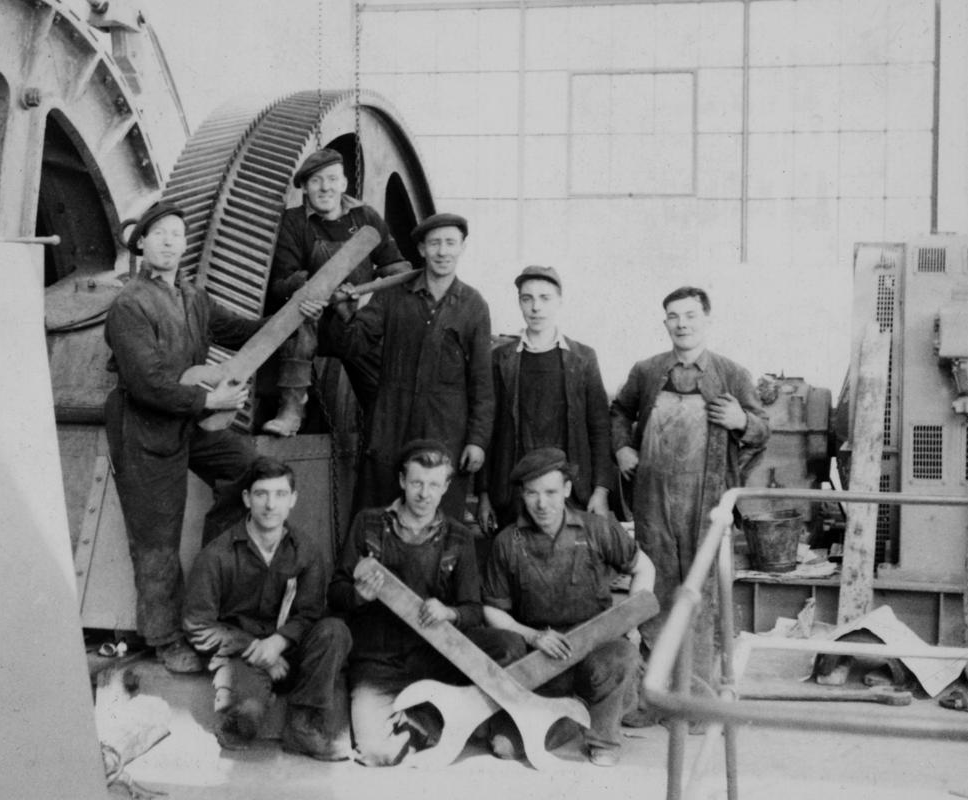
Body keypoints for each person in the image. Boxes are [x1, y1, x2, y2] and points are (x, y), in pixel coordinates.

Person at [104, 201, 266, 673]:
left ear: (185, 243)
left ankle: (209, 571)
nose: (169, 241)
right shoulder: (130, 304)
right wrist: (210, 401)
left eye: (177, 233)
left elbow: (246, 331)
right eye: (159, 234)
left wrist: (301, 314)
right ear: (142, 244)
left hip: (188, 421)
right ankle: (165, 638)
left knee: (245, 468)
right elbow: (148, 383)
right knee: (156, 537)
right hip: (144, 428)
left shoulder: (195, 298)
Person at [610, 286, 769, 687]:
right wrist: (622, 448)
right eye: (673, 316)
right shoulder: (647, 371)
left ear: (707, 320)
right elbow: (619, 411)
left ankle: (697, 693)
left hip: (707, 505)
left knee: (702, 593)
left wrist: (742, 422)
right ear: (665, 323)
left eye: (691, 315)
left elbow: (763, 431)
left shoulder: (731, 374)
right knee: (656, 588)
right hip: (654, 503)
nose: (682, 324)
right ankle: (655, 689)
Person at [327, 440, 500, 766]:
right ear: (402, 481)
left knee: (505, 646)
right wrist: (358, 596)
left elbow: (473, 610)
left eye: (434, 485)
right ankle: (427, 722)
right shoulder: (368, 523)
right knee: (376, 753)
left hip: (434, 657)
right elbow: (335, 591)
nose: (424, 494)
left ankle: (428, 717)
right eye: (417, 483)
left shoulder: (459, 536)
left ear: (446, 486)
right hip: (377, 661)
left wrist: (449, 612)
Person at [481, 448, 655, 766]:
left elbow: (644, 567)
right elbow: (492, 610)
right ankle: (572, 715)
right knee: (504, 747)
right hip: (542, 658)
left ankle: (603, 738)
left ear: (567, 489)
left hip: (595, 651)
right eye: (532, 493)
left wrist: (628, 620)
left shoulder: (597, 529)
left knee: (622, 656)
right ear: (522, 494)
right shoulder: (507, 542)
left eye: (550, 492)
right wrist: (533, 636)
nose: (541, 503)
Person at [317, 212, 494, 520]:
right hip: (391, 428)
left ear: (462, 247)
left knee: (439, 522)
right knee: (376, 516)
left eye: (450, 243)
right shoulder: (392, 297)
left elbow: (482, 384)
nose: (442, 251)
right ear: (422, 249)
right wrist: (343, 312)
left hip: (443, 433)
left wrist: (476, 441)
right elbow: (353, 344)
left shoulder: (473, 305)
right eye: (434, 243)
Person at [182, 457, 352, 758]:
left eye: (280, 494)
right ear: (247, 499)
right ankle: (245, 708)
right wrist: (257, 649)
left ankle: (301, 725)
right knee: (241, 726)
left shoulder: (306, 551)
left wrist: (278, 642)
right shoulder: (217, 554)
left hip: (291, 653)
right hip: (242, 656)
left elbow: (311, 614)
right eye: (261, 494)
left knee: (334, 631)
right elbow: (197, 624)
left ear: (293, 500)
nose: (271, 505)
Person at [263, 148, 411, 436]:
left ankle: (387, 426)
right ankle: (292, 409)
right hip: (313, 318)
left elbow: (396, 268)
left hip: (356, 318)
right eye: (316, 181)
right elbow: (281, 282)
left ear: (344, 183)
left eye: (332, 179)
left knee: (383, 402)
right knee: (296, 329)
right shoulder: (293, 222)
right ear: (305, 188)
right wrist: (314, 288)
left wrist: (369, 301)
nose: (325, 188)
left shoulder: (366, 217)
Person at [477, 265, 614, 535]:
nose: (536, 307)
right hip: (514, 495)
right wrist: (483, 494)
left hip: (571, 493)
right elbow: (488, 430)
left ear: (559, 301)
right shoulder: (501, 359)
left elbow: (599, 428)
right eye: (527, 298)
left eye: (545, 298)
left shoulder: (583, 358)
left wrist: (600, 490)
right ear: (519, 302)